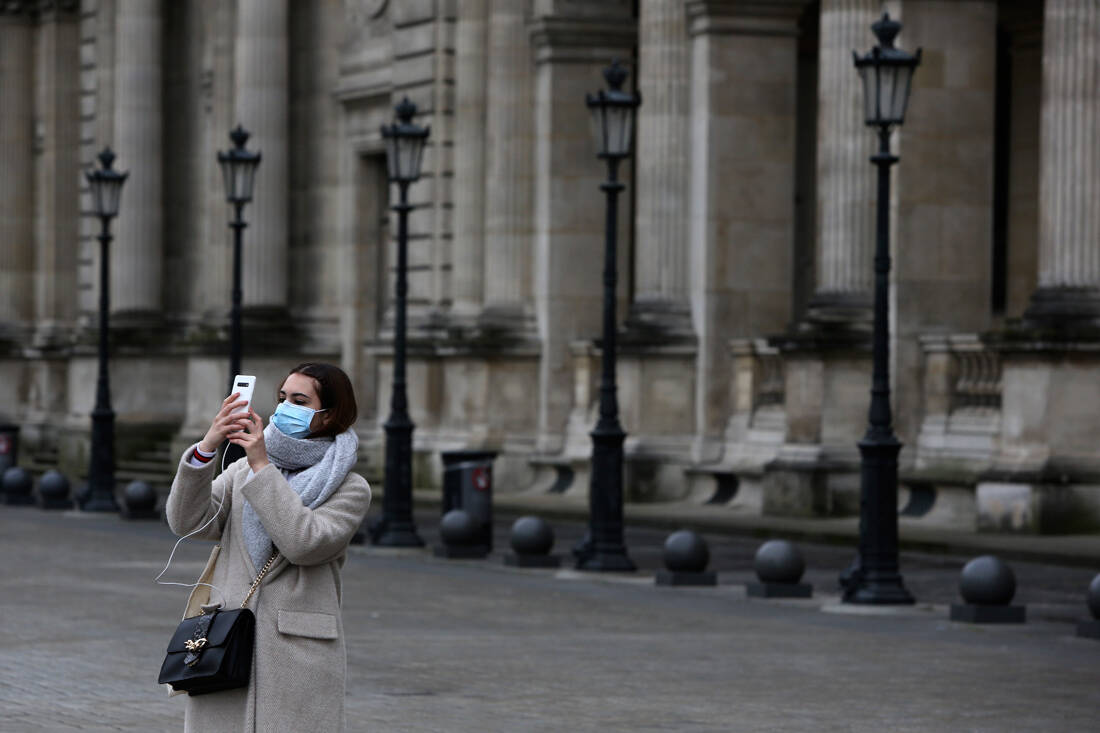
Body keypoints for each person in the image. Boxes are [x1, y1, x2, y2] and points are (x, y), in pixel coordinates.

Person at [166, 362, 371, 733]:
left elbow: (304, 544)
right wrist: (207, 448)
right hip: (224, 641)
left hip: (296, 652)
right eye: (282, 398)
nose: (285, 408)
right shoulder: (240, 471)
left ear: (329, 415)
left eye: (299, 401)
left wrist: (262, 466)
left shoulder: (349, 487)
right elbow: (188, 522)